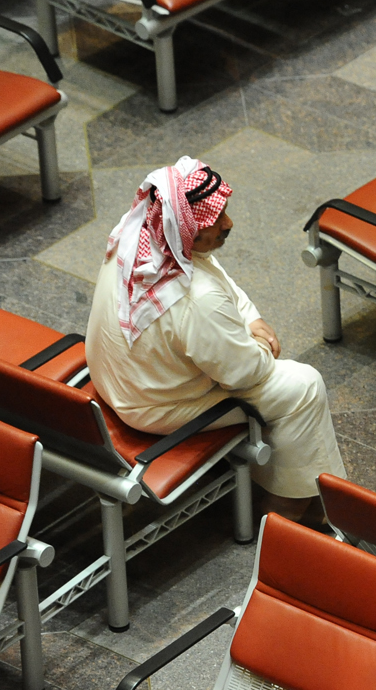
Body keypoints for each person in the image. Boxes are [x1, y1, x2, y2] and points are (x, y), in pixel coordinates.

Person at [85, 156, 345, 521]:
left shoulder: (145, 234)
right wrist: (259, 344)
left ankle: (310, 492)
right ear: (187, 228)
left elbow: (209, 271)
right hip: (154, 406)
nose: (228, 223)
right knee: (303, 387)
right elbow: (246, 374)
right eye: (215, 218)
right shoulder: (198, 300)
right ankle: (286, 507)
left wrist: (250, 318)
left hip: (119, 379)